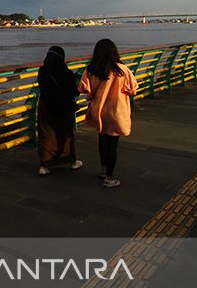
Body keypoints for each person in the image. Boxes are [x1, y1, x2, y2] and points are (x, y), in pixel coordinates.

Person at [78, 39, 139, 188]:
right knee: (112, 144)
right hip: (116, 111)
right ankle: (110, 178)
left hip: (99, 110)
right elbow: (133, 89)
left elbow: (83, 88)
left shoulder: (91, 69)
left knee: (102, 140)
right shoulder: (122, 70)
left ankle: (104, 170)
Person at [36, 46, 82, 175]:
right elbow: (74, 91)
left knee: (46, 134)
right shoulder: (66, 73)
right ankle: (71, 160)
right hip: (64, 106)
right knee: (66, 133)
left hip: (46, 106)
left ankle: (45, 165)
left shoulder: (42, 71)